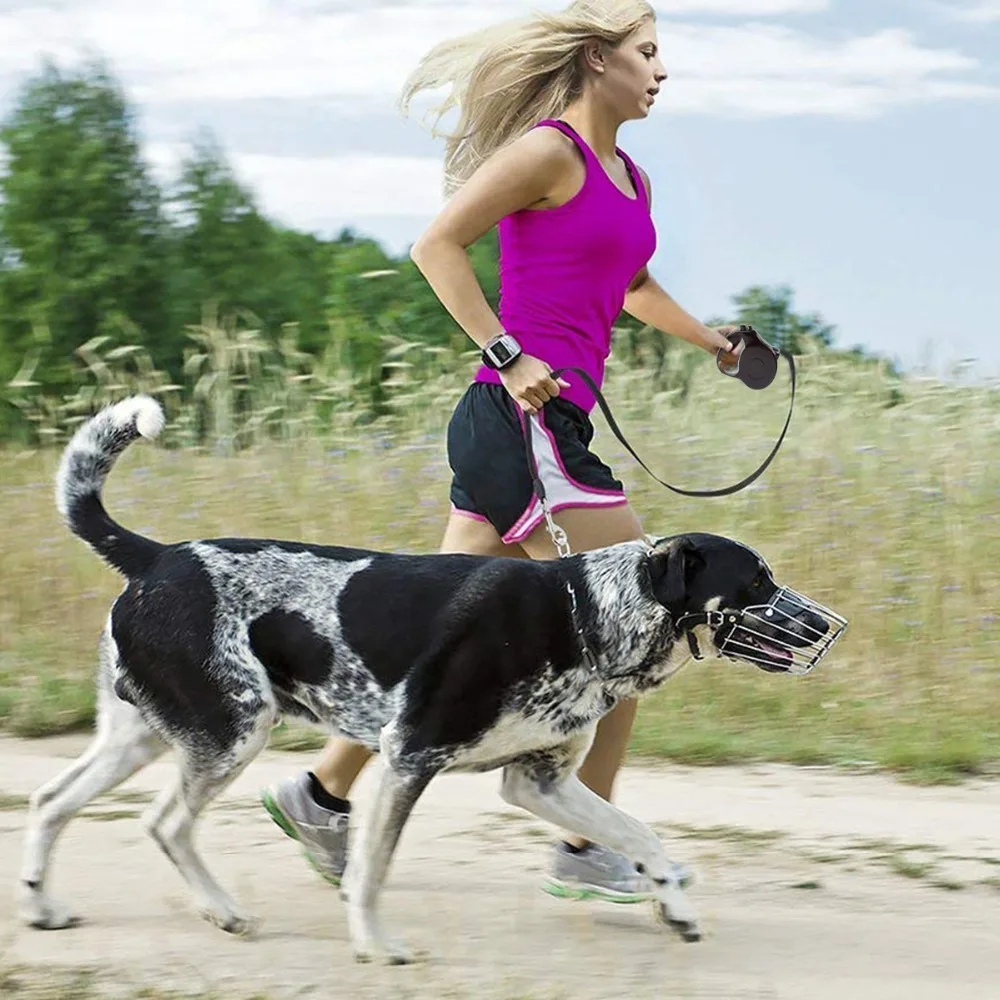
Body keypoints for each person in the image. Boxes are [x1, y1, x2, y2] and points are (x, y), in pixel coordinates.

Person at [260, 0, 743, 903]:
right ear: (599, 60)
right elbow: (434, 244)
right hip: (517, 418)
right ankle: (585, 848)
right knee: (642, 621)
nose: (661, 71)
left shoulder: (631, 178)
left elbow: (631, 285)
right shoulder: (545, 152)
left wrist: (712, 343)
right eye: (647, 53)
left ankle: (320, 795)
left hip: (546, 429)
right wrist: (507, 351)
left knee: (435, 635)